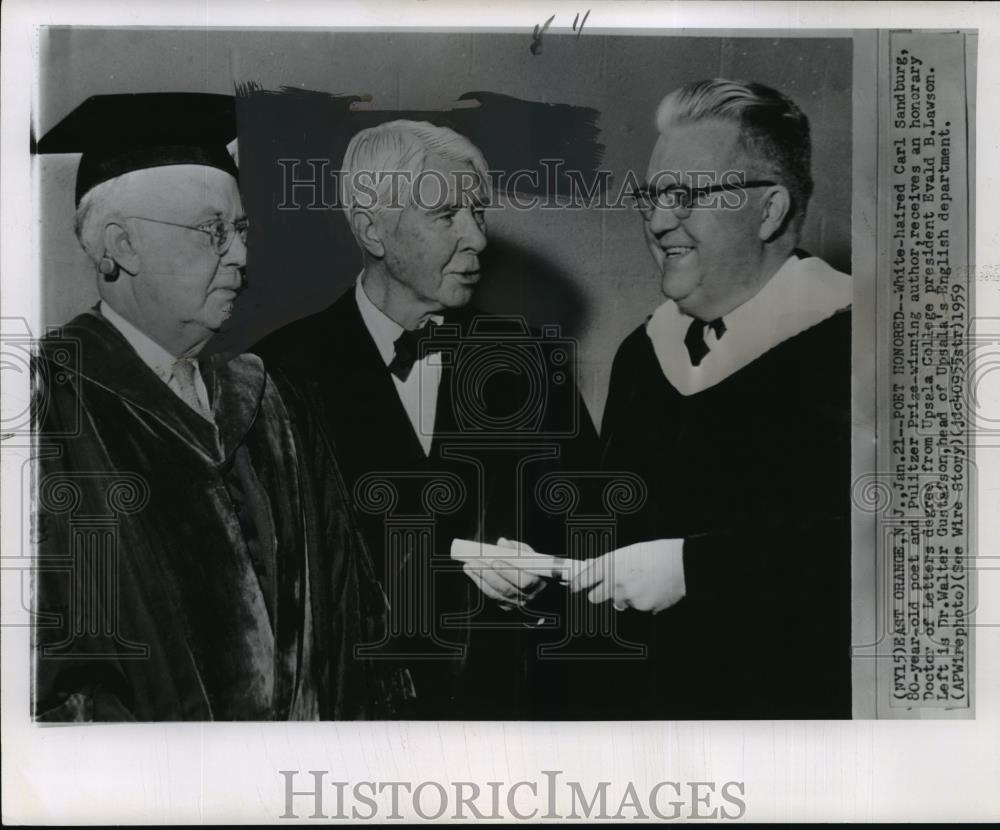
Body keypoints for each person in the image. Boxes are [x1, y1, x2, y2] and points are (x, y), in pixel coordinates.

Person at [33, 92, 410, 721]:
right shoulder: (47, 404)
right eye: (215, 231)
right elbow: (43, 677)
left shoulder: (271, 399)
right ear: (120, 246)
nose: (241, 255)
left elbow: (353, 619)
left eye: (241, 231)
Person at [254, 120, 599, 718]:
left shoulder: (530, 361)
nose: (478, 240)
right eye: (446, 216)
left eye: (478, 213)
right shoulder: (278, 374)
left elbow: (593, 533)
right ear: (372, 231)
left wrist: (542, 574)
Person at [574, 79, 853, 719]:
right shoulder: (642, 355)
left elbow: (890, 559)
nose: (658, 219)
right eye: (653, 195)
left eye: (685, 195)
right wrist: (547, 574)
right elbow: (616, 540)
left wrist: (696, 567)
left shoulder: (861, 350)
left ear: (769, 210)